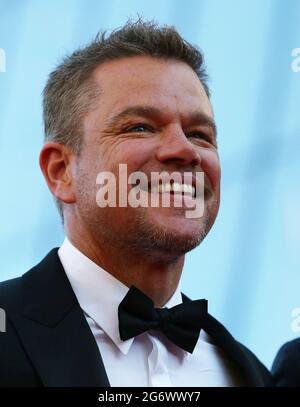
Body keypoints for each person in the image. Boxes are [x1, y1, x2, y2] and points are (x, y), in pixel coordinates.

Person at [0, 19, 272, 387]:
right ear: (61, 171)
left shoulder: (250, 374)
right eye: (140, 127)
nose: (185, 150)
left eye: (199, 134)